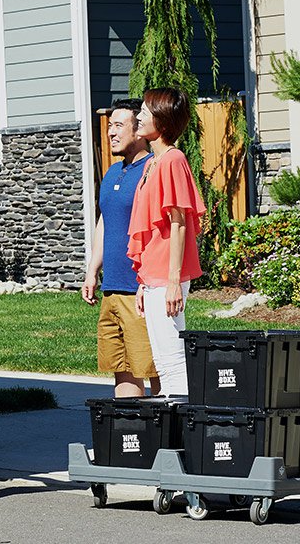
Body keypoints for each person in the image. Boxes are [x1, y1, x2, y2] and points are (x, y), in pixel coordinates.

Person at [128, 88, 206, 397]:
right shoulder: (152, 163)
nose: (138, 117)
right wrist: (143, 283)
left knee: (172, 357)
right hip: (154, 277)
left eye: (145, 113)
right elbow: (152, 228)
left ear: (161, 121)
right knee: (161, 358)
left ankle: (181, 417)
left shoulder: (173, 159)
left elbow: (179, 222)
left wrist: (174, 281)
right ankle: (170, 417)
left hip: (167, 275)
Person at [82, 99, 161, 397]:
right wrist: (93, 270)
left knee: (155, 369)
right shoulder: (113, 173)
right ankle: (130, 425)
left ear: (138, 130)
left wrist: (148, 281)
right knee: (123, 368)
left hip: (140, 291)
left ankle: (166, 425)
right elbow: (105, 221)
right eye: (110, 126)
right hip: (112, 289)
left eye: (118, 126)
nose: (110, 132)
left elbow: (161, 229)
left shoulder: (152, 170)